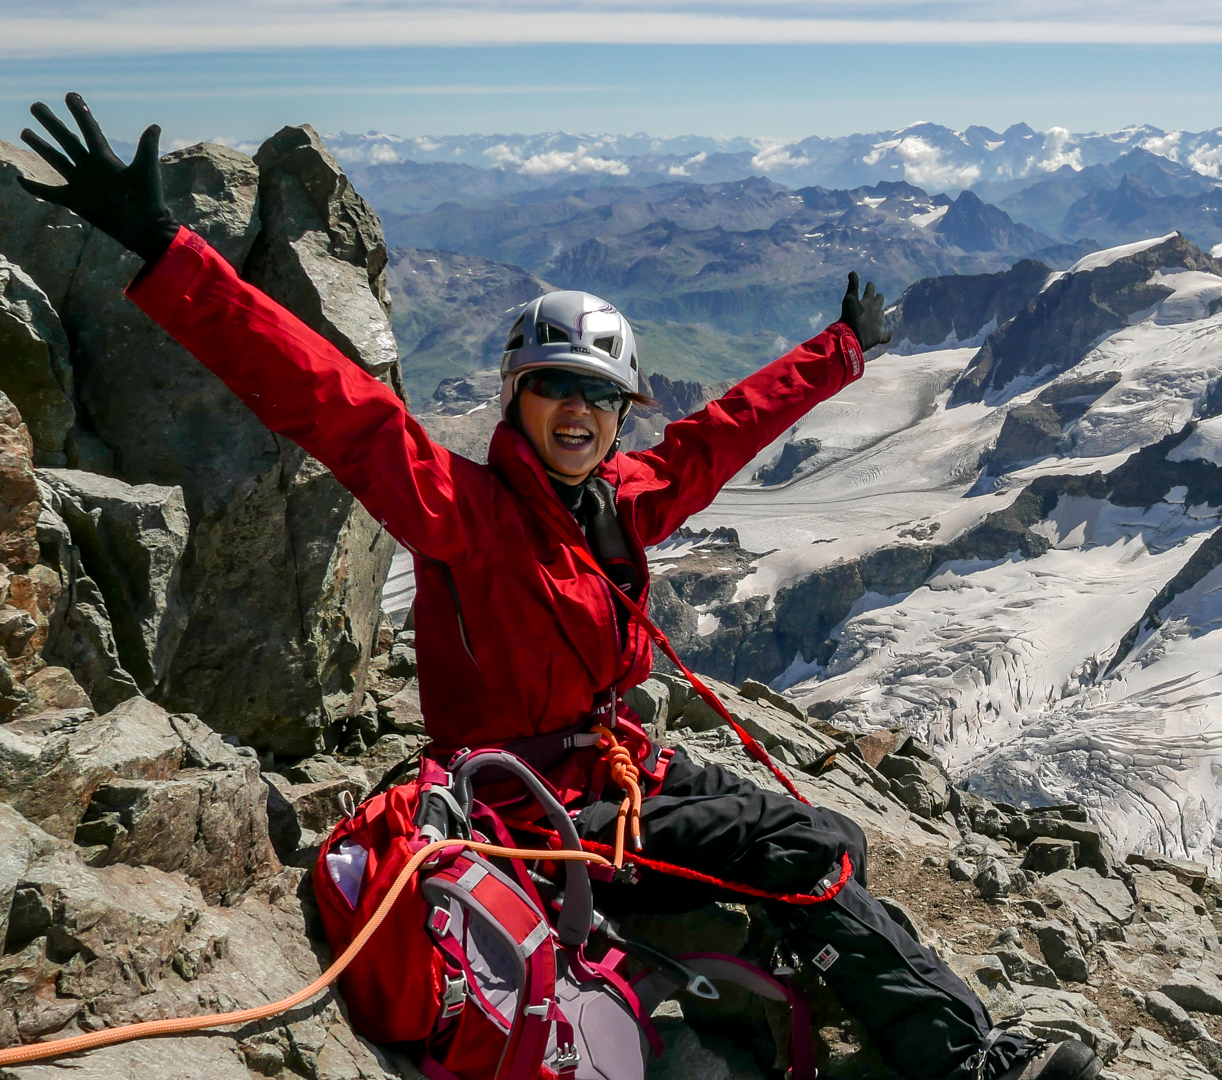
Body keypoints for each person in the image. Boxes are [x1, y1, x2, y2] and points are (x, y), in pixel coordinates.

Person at [16, 94, 1100, 1080]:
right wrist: (167, 251)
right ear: (516, 401)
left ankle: (878, 1001)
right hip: (518, 811)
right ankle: (966, 1063)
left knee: (831, 843)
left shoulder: (625, 502)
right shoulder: (461, 510)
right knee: (807, 852)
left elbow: (721, 436)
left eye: (599, 396)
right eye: (553, 391)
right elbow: (331, 401)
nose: (579, 413)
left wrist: (841, 353)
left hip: (614, 777)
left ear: (621, 412)